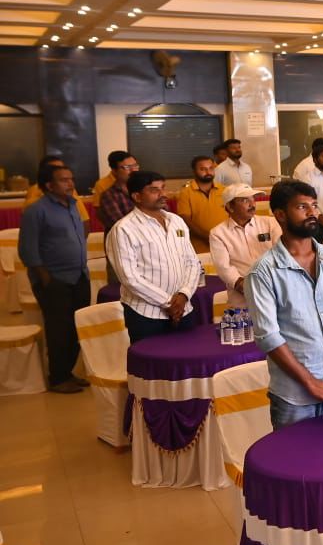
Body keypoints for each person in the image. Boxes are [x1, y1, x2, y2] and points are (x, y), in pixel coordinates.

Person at [246, 182, 323, 429]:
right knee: (297, 465)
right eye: (302, 207)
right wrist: (309, 382)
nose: (312, 213)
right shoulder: (263, 271)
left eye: (314, 205)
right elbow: (268, 336)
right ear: (280, 215)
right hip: (295, 397)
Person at [104, 171, 202, 342]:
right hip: (146, 315)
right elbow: (130, 278)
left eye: (163, 188)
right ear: (137, 196)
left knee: (186, 364)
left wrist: (184, 295)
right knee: (152, 367)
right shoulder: (123, 229)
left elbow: (192, 262)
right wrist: (169, 303)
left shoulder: (176, 221)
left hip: (183, 308)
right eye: (154, 190)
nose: (163, 194)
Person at [18, 162, 89, 393]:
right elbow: (27, 249)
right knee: (59, 330)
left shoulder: (73, 205)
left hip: (79, 276)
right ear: (49, 185)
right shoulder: (36, 210)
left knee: (76, 328)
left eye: (71, 178)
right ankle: (58, 378)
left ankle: (68, 372)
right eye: (64, 180)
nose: (71, 183)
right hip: (54, 280)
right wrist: (46, 278)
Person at [209, 184, 280, 311]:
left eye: (253, 199)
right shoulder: (218, 233)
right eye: (244, 200)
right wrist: (244, 286)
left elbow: (280, 254)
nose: (252, 204)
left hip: (275, 294)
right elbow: (223, 267)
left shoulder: (270, 223)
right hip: (242, 302)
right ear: (230, 207)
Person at [175, 155, 227, 253]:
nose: (208, 172)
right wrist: (206, 237)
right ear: (194, 171)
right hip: (199, 246)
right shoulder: (186, 193)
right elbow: (185, 218)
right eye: (203, 169)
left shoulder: (224, 190)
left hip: (225, 243)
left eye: (211, 168)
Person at [97, 150, 138, 232]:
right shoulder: (109, 195)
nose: (134, 170)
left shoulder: (144, 188)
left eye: (135, 166)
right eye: (127, 167)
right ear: (114, 171)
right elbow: (122, 227)